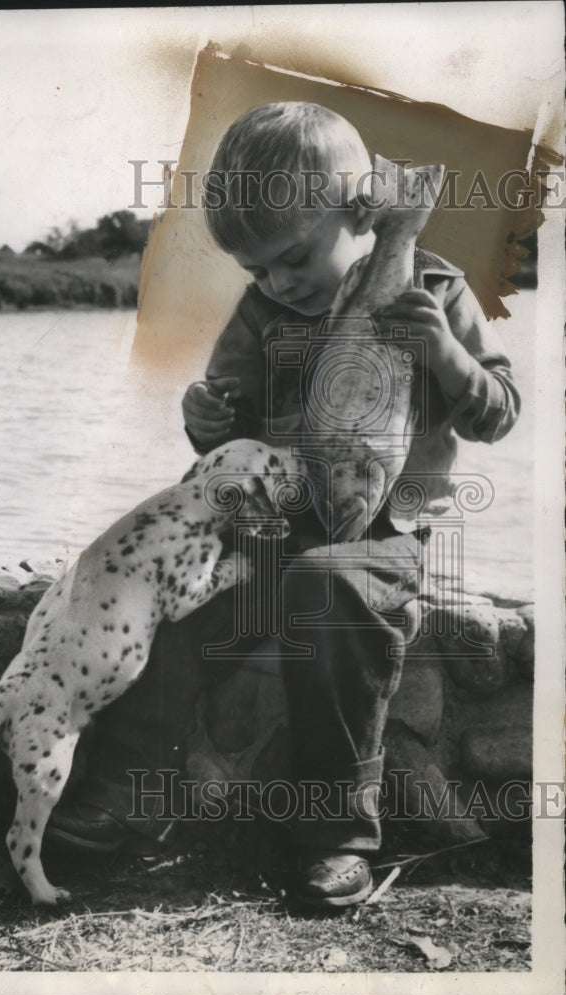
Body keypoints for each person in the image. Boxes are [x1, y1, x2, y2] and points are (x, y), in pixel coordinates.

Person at [47, 102, 520, 908]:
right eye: (257, 269)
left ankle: (335, 832)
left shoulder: (433, 289)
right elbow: (228, 435)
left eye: (293, 257)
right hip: (265, 529)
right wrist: (207, 421)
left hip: (377, 533)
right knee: (172, 605)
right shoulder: (262, 312)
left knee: (329, 589)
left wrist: (442, 351)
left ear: (362, 212)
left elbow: (498, 413)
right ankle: (126, 788)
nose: (278, 282)